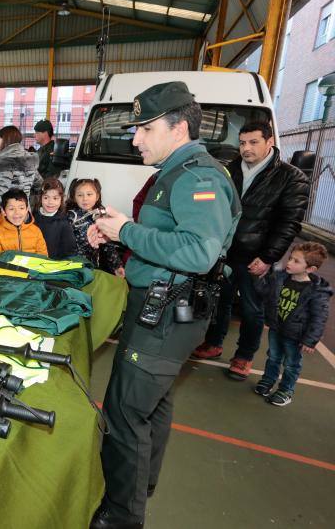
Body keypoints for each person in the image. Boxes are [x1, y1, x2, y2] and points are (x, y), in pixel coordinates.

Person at [87, 81, 241, 529]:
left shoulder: (198, 177)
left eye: (144, 128)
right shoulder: (177, 172)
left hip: (168, 313)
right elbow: (172, 234)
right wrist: (120, 228)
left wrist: (127, 234)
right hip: (165, 307)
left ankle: (121, 515)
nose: (135, 139)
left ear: (177, 127)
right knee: (152, 404)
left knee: (126, 410)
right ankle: (141, 484)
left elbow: (198, 252)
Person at [191, 120, 311, 380]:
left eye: (254, 142)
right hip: (223, 251)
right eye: (242, 142)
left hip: (256, 257)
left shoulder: (291, 177)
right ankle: (213, 343)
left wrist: (268, 257)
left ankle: (243, 357)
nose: (246, 148)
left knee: (251, 309)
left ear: (270, 142)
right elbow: (211, 206)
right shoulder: (227, 170)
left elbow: (289, 223)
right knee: (218, 301)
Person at [253, 242, 331, 406]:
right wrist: (259, 278)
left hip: (296, 335)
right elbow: (265, 293)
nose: (289, 263)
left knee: (291, 364)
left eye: (296, 261)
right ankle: (267, 381)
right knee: (273, 357)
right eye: (290, 258)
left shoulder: (317, 292)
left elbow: (319, 317)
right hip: (276, 328)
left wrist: (310, 340)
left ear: (310, 269)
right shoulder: (280, 278)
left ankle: (285, 391)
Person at [0, 125, 42, 230]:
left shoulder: (4, 164)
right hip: (25, 218)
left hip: (6, 221)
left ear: (6, 141)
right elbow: (40, 184)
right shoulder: (28, 160)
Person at [67, 178, 125, 277]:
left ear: (97, 196)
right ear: (74, 197)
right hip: (71, 265)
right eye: (80, 195)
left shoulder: (102, 217)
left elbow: (108, 246)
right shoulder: (70, 216)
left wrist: (117, 266)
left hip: (92, 266)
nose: (85, 198)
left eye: (89, 194)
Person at [0, 188, 48, 264]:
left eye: (21, 208)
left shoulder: (36, 231)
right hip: (6, 275)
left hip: (33, 275)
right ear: (3, 211)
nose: (17, 213)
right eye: (11, 209)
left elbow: (43, 259)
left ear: (27, 209)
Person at [34, 177, 77, 259]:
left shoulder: (64, 223)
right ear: (40, 198)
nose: (50, 202)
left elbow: (70, 252)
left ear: (61, 200)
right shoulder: (33, 218)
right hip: (33, 262)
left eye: (55, 198)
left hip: (53, 265)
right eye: (46, 197)